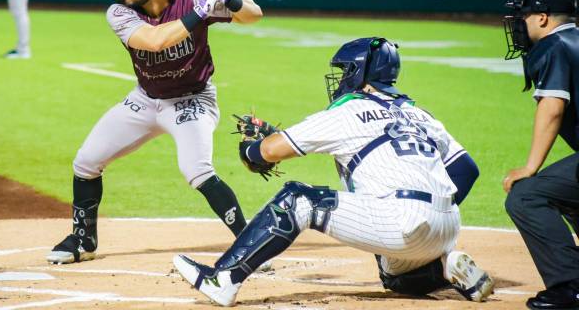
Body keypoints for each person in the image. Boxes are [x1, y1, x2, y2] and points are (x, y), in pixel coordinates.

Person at [172, 37, 495, 306]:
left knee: (297, 200)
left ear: (361, 74)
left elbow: (265, 153)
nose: (341, 79)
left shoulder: (349, 111)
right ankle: (442, 266)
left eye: (346, 71)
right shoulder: (419, 114)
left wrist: (249, 146)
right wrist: (433, 212)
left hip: (403, 224)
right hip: (449, 226)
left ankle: (224, 278)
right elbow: (466, 170)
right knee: (391, 273)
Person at [47, 0, 264, 265]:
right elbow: (154, 40)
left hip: (193, 99)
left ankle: (251, 243)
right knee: (86, 161)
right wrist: (202, 12)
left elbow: (254, 15)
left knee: (197, 170)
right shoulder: (120, 11)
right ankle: (83, 240)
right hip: (145, 99)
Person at [502, 0, 579, 310]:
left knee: (526, 195)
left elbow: (552, 108)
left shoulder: (554, 45)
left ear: (544, 18)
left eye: (525, 16)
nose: (520, 24)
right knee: (569, 194)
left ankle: (570, 285)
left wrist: (530, 168)